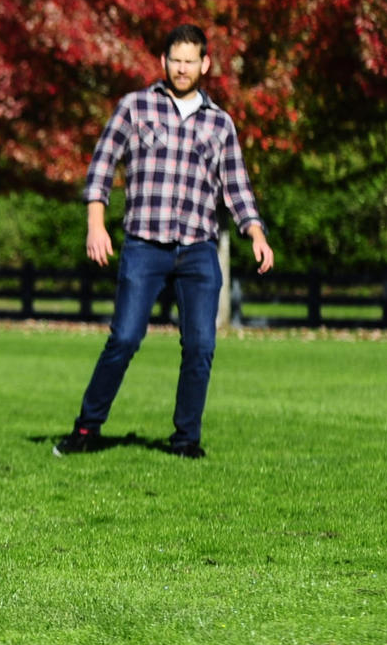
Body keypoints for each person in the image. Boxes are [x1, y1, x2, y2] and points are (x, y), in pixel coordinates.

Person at [54, 24, 273, 459]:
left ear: (205, 64)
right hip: (144, 245)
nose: (183, 68)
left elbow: (237, 186)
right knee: (126, 338)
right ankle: (86, 428)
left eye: (191, 60)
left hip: (197, 248)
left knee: (201, 345)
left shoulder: (220, 123)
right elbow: (101, 167)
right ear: (163, 62)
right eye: (176, 60)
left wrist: (256, 233)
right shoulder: (135, 108)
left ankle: (186, 439)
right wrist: (96, 224)